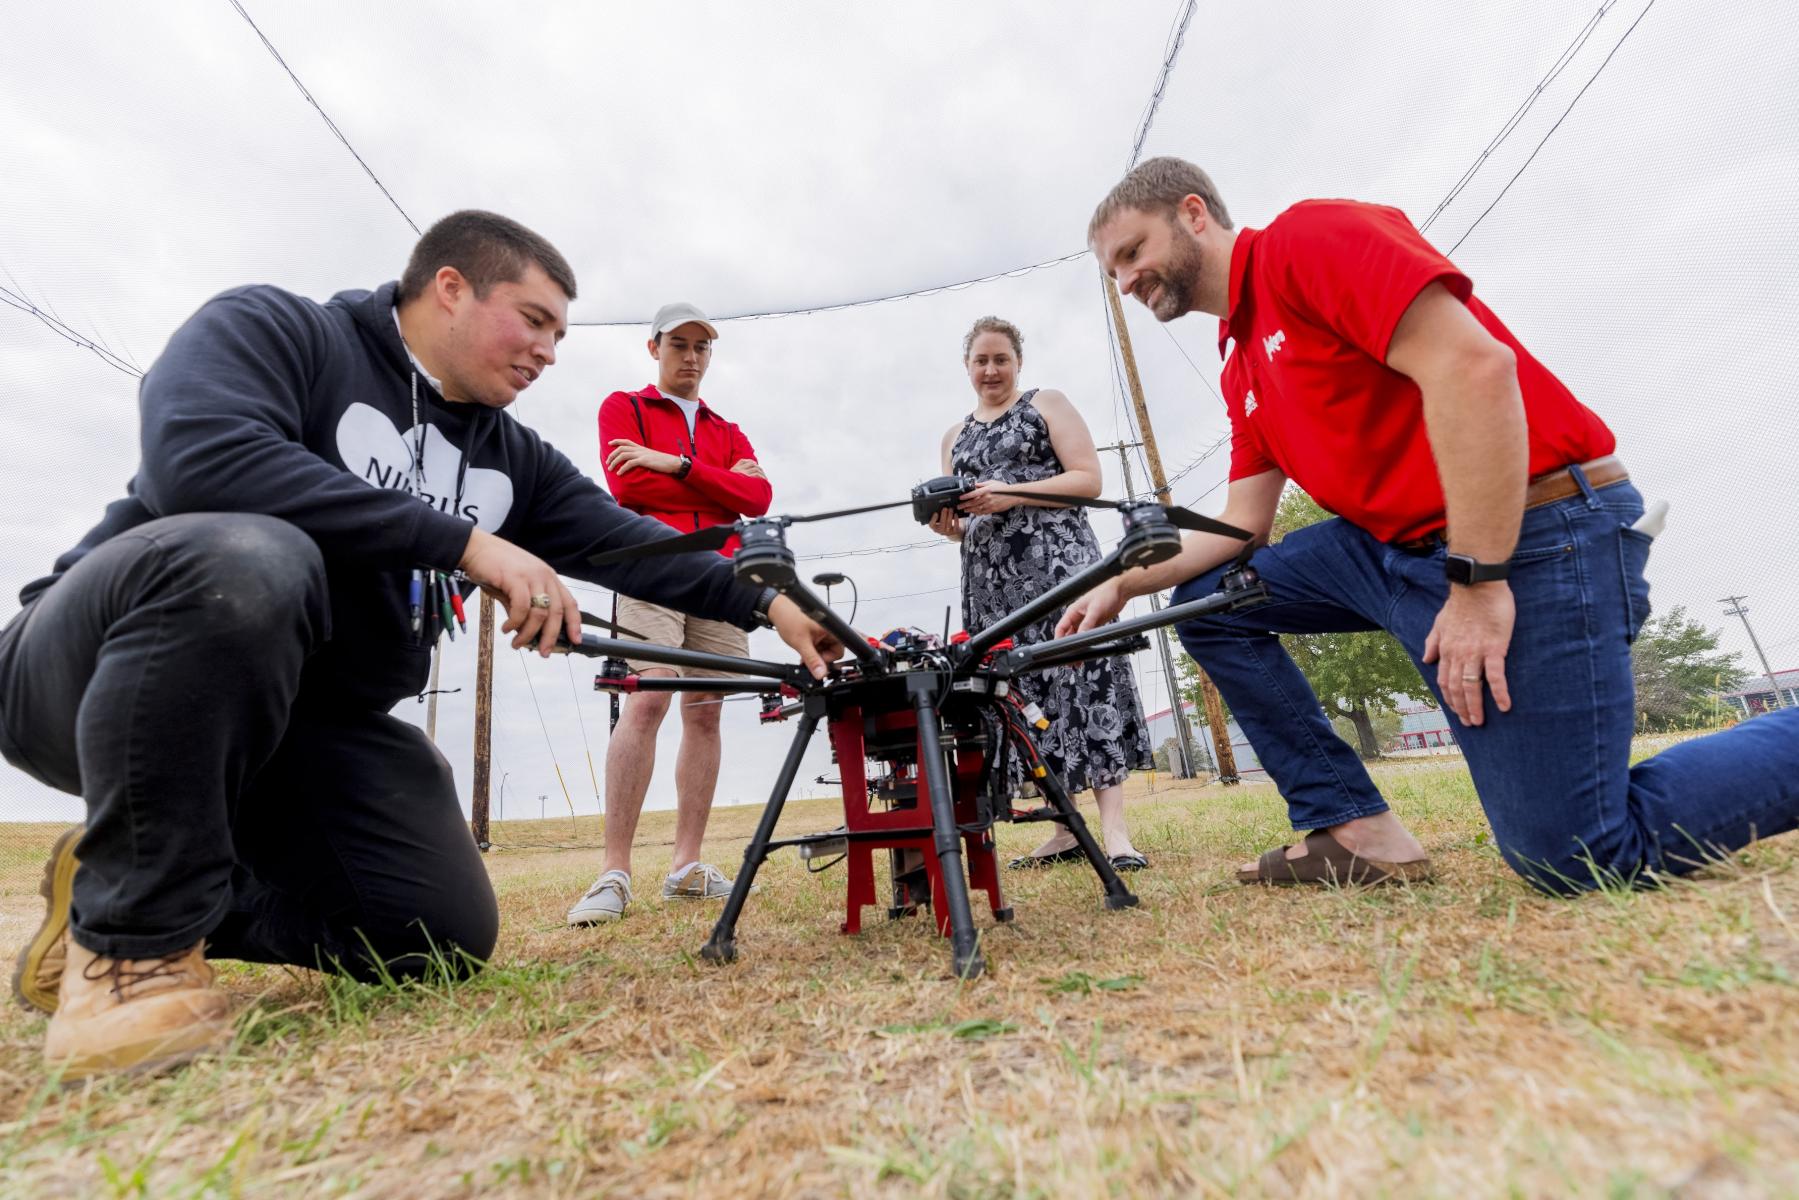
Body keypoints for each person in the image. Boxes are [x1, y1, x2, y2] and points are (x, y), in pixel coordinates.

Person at [0, 211, 840, 1081]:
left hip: (296, 732)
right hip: (93, 670)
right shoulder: (280, 330)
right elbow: (199, 456)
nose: (549, 350)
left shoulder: (509, 456)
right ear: (450, 288)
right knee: (251, 559)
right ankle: (132, 948)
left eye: (561, 333)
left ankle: (124, 877)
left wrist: (771, 600)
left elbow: (633, 543)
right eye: (535, 319)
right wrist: (464, 542)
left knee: (433, 934)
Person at [1061, 156, 1799, 891]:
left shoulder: (1306, 242)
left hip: (1534, 530)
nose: (1125, 281)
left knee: (1573, 856)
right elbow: (1241, 524)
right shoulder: (1240, 360)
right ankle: (1356, 831)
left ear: (1193, 214)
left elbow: (1473, 368)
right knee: (1213, 603)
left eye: (1133, 252)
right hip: (1391, 552)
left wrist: (1477, 582)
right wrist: (1123, 585)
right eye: (1112, 272)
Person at [565, 303, 772, 924]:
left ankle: (685, 866)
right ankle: (614, 871)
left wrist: (676, 464)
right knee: (649, 697)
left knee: (705, 710)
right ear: (653, 347)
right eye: (678, 344)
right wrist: (714, 483)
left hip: (721, 574)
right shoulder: (622, 408)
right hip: (653, 563)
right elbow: (629, 489)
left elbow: (757, 497)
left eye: (701, 347)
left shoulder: (727, 427)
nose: (690, 356)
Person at [930, 316, 1153, 872]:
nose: (990, 370)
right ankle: (1063, 828)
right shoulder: (954, 437)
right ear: (966, 367)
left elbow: (1088, 479)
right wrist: (946, 525)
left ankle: (1115, 832)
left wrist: (1009, 493)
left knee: (1083, 678)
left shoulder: (1045, 403)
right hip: (991, 583)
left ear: (1018, 362)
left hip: (1059, 568)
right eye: (980, 360)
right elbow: (964, 519)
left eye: (1000, 358)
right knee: (1023, 695)